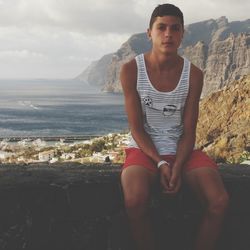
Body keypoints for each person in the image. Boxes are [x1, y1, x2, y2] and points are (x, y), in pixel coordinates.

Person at [120, 3, 229, 250]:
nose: (168, 34)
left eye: (174, 28)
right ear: (149, 32)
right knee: (134, 200)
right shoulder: (131, 70)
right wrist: (160, 162)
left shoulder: (194, 74)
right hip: (143, 149)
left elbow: (190, 130)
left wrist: (177, 166)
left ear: (182, 34)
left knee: (219, 201)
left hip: (183, 150)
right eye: (161, 28)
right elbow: (137, 128)